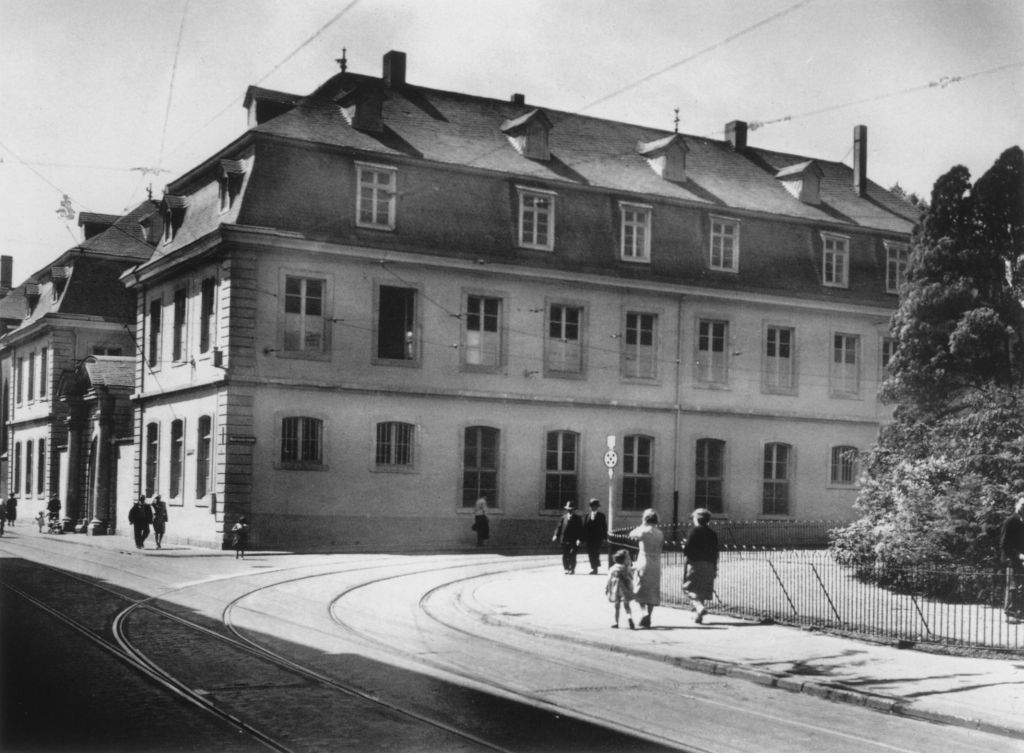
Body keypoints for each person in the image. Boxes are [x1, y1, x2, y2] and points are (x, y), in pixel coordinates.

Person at [683, 507, 720, 624]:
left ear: (697, 519)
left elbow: (687, 550)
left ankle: (699, 607)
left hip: (695, 564)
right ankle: (698, 616)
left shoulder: (693, 532)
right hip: (709, 564)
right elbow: (715, 552)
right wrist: (715, 568)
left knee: (688, 589)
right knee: (702, 591)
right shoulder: (712, 534)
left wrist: (684, 546)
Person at [628, 508, 664, 628]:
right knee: (653, 590)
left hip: (644, 560)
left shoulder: (642, 532)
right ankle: (649, 614)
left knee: (641, 588)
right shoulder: (659, 533)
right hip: (656, 562)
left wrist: (642, 525)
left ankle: (643, 612)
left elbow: (631, 534)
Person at [1000, 497, 1024, 623]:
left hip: (1021, 559)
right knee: (1012, 586)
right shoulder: (1010, 521)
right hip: (1011, 558)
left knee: (1021, 586)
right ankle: (1009, 614)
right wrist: (1018, 556)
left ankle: (1019, 613)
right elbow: (1004, 544)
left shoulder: (1022, 522)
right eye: (1022, 504)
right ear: (1017, 505)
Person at [605, 549, 636, 629]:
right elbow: (631, 577)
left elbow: (608, 579)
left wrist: (607, 588)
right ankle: (629, 618)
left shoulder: (613, 568)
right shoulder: (626, 568)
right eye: (628, 559)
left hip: (616, 588)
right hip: (625, 587)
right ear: (624, 560)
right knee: (626, 605)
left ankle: (616, 622)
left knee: (617, 605)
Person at [552, 501, 583, 574]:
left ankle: (572, 568)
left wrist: (579, 539)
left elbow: (580, 530)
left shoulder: (577, 518)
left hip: (574, 540)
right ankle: (566, 568)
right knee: (565, 554)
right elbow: (559, 527)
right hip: (564, 539)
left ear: (574, 510)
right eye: (568, 509)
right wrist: (555, 535)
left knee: (572, 554)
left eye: (571, 509)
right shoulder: (563, 517)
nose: (570, 511)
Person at [581, 498, 608, 574]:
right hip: (589, 538)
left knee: (596, 552)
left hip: (597, 538)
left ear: (597, 507)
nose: (593, 507)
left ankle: (595, 568)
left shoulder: (601, 516)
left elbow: (604, 527)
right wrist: (582, 538)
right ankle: (593, 567)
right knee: (590, 553)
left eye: (595, 506)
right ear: (590, 507)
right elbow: (584, 527)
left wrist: (605, 537)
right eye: (592, 506)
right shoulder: (587, 516)